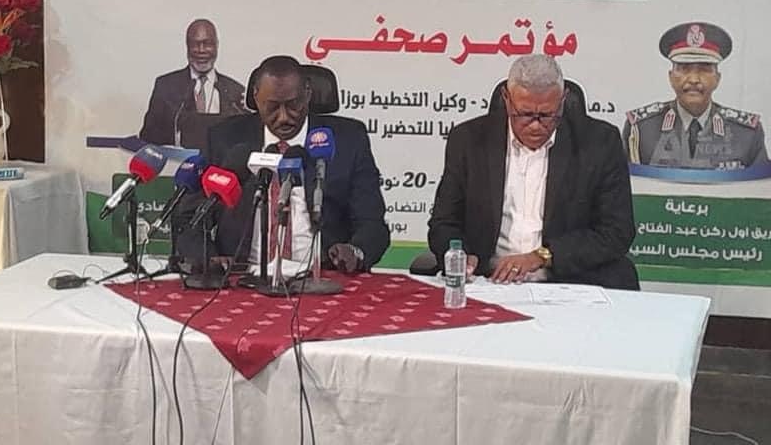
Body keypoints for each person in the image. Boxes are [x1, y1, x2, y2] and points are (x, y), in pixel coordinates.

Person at [428, 54, 638, 289]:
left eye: (547, 115)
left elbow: (617, 232)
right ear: (507, 100)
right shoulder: (469, 141)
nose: (536, 125)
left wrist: (542, 256)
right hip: (489, 282)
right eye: (525, 114)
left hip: (569, 282)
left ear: (563, 100)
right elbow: (444, 222)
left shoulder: (599, 143)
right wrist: (462, 256)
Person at [181, 55, 390, 273]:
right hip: (240, 276)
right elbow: (189, 218)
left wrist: (355, 251)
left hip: (323, 276)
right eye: (272, 107)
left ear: (307, 94)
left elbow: (372, 223)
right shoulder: (225, 139)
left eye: (293, 105)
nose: (283, 117)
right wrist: (208, 259)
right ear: (256, 97)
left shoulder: (348, 140)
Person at [623, 21, 768, 170]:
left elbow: (762, 184)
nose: (693, 79)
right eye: (684, 68)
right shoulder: (642, 130)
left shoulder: (746, 134)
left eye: (704, 69)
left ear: (717, 78)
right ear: (671, 77)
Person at [139, 18, 246, 146]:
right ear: (187, 46)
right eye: (195, 44)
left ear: (217, 45)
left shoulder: (235, 92)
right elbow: (148, 139)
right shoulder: (166, 87)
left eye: (207, 44)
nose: (201, 50)